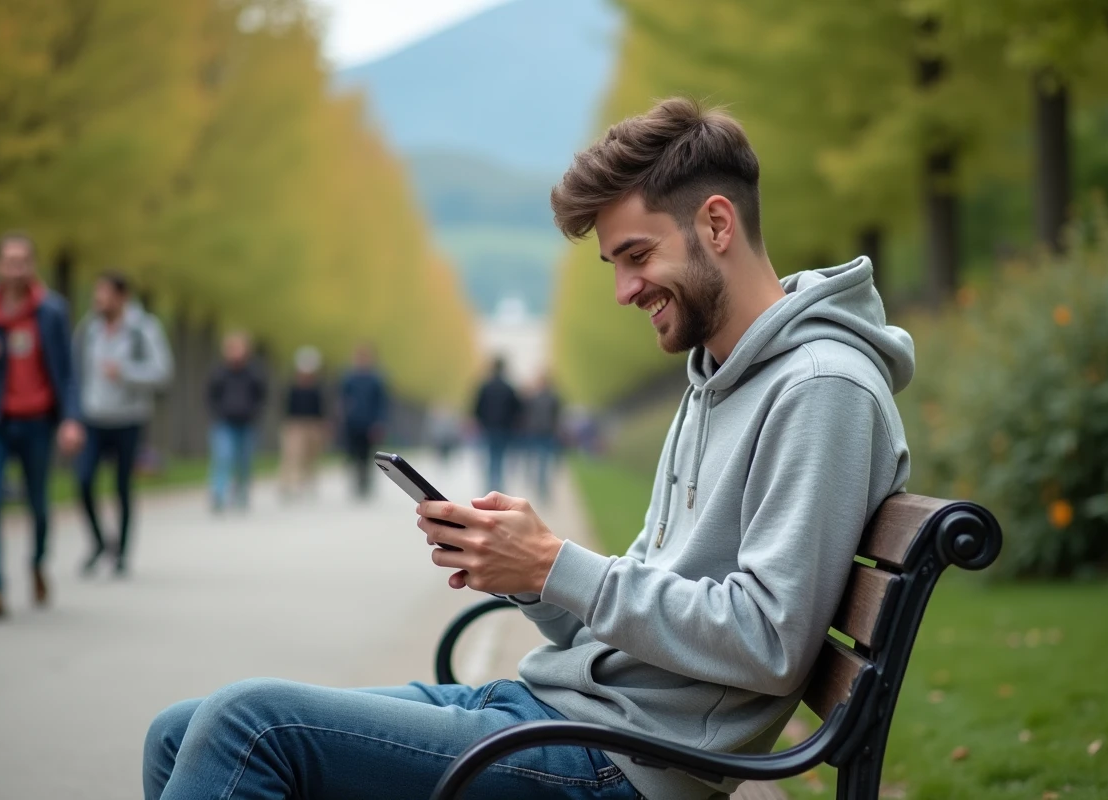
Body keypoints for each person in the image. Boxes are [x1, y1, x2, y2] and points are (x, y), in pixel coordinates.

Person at [144, 98, 914, 800]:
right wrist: (525, 577)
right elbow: (631, 613)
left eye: (637, 255)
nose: (624, 290)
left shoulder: (820, 387)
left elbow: (768, 642)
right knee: (182, 728)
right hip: (563, 716)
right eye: (613, 265)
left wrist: (557, 564)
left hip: (621, 763)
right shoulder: (716, 377)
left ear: (717, 224)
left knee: (249, 726)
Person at [0, 233, 85, 617]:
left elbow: (68, 372)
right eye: (8, 261)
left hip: (38, 420)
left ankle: (37, 563)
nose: (16, 268)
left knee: (38, 506)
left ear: (32, 265)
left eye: (23, 260)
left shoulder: (51, 311)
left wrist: (71, 418)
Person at [74, 271, 173, 576]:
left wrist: (126, 372)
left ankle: (122, 554)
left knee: (121, 487)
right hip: (92, 417)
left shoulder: (144, 328)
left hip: (129, 419)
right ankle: (101, 542)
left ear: (122, 297)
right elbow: (75, 370)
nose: (98, 300)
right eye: (96, 294)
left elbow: (162, 372)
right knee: (84, 481)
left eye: (104, 294)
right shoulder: (89, 328)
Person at [206, 332, 267, 512]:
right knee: (222, 457)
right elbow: (210, 396)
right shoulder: (219, 372)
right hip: (224, 422)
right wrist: (218, 412)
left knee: (244, 460)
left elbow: (261, 395)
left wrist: (254, 412)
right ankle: (218, 493)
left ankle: (241, 492)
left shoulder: (254, 373)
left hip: (247, 423)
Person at [338, 343, 390, 499]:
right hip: (353, 423)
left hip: (369, 423)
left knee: (367, 455)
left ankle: (365, 482)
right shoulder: (349, 378)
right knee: (353, 454)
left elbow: (382, 403)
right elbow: (342, 399)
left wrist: (380, 423)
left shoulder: (376, 380)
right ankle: (357, 481)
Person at [279, 346, 326, 499]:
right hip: (295, 424)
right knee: (292, 456)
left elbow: (321, 408)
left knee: (310, 456)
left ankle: (307, 482)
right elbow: (286, 407)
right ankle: (289, 484)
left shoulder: (317, 388)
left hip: (313, 424)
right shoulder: (293, 387)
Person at [472, 356, 522, 493]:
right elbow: (517, 408)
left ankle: (490, 486)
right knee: (499, 457)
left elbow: (477, 407)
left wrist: (480, 421)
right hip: (504, 428)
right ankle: (497, 486)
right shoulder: (509, 387)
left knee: (490, 456)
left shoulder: (485, 386)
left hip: (488, 428)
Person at [523, 372, 563, 501]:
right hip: (541, 432)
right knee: (542, 460)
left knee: (541, 461)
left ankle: (541, 486)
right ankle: (541, 486)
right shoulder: (552, 398)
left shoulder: (537, 398)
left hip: (542, 432)